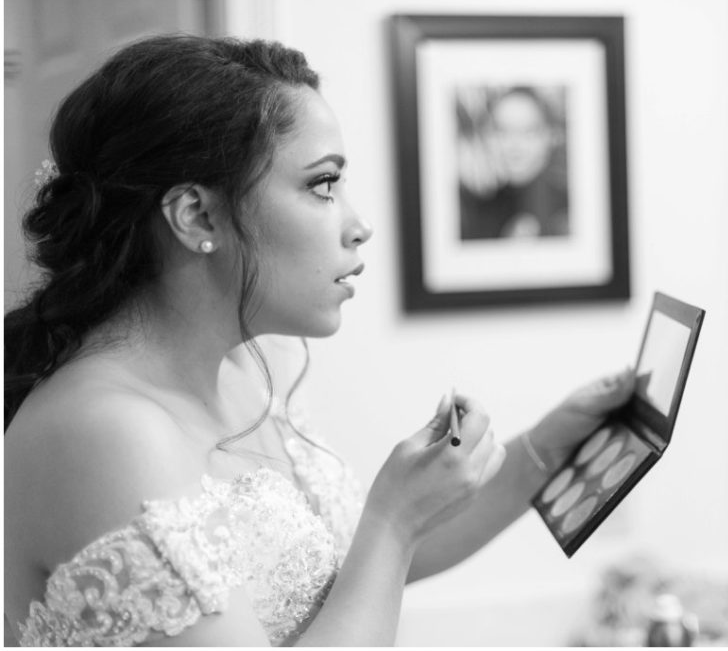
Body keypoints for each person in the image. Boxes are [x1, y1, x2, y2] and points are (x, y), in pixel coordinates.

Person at [3, 34, 634, 647]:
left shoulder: (243, 373)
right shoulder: (106, 433)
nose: (359, 226)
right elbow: (382, 552)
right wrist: (392, 519)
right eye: (322, 185)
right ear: (196, 215)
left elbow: (347, 582)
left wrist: (547, 447)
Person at [459, 86, 571, 240]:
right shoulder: (466, 208)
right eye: (502, 131)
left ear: (551, 136)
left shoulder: (572, 208)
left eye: (529, 131)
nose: (515, 145)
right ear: (484, 137)